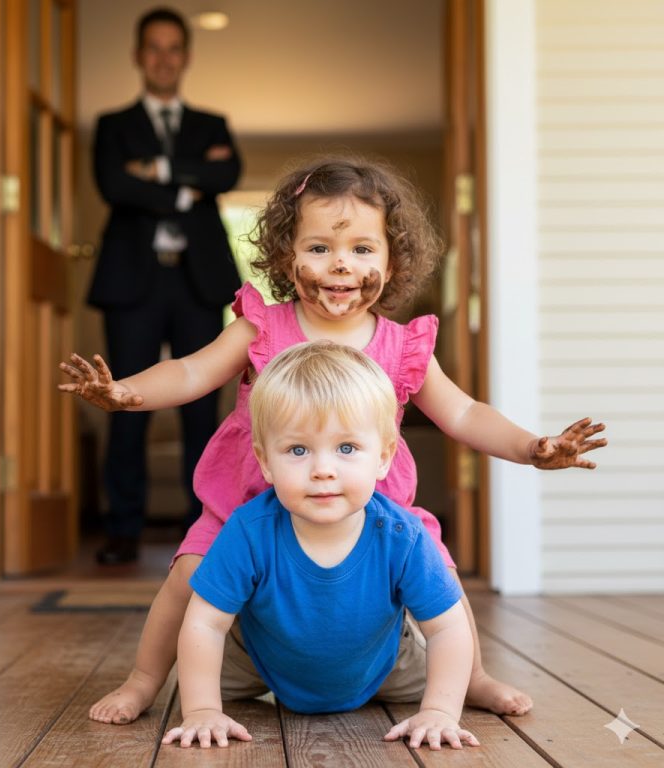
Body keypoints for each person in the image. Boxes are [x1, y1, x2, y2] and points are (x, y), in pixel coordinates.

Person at [59, 156, 606, 724]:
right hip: (248, 499)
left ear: (392, 263)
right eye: (319, 248)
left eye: (363, 250)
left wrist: (531, 447)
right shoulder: (262, 328)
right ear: (286, 257)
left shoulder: (404, 346)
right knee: (189, 572)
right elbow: (191, 373)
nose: (341, 264)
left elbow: (464, 413)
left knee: (436, 569)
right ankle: (145, 679)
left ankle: (475, 677)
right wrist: (127, 393)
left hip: (369, 504)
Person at [161, 341, 479, 750]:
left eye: (347, 448)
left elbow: (448, 629)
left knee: (447, 676)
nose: (323, 471)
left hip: (385, 666)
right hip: (259, 660)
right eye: (298, 450)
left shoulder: (402, 536)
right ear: (265, 462)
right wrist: (202, 710)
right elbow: (205, 622)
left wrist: (439, 711)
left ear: (383, 458)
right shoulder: (248, 531)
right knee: (196, 672)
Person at [87, 7, 242, 564]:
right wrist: (186, 183)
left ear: (186, 56)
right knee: (127, 402)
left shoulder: (213, 125)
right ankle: (122, 530)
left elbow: (227, 175)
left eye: (173, 48)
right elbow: (112, 184)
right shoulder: (111, 126)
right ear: (137, 55)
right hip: (134, 284)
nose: (163, 58)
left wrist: (151, 172)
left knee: (201, 411)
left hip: (199, 284)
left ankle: (203, 530)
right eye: (153, 48)